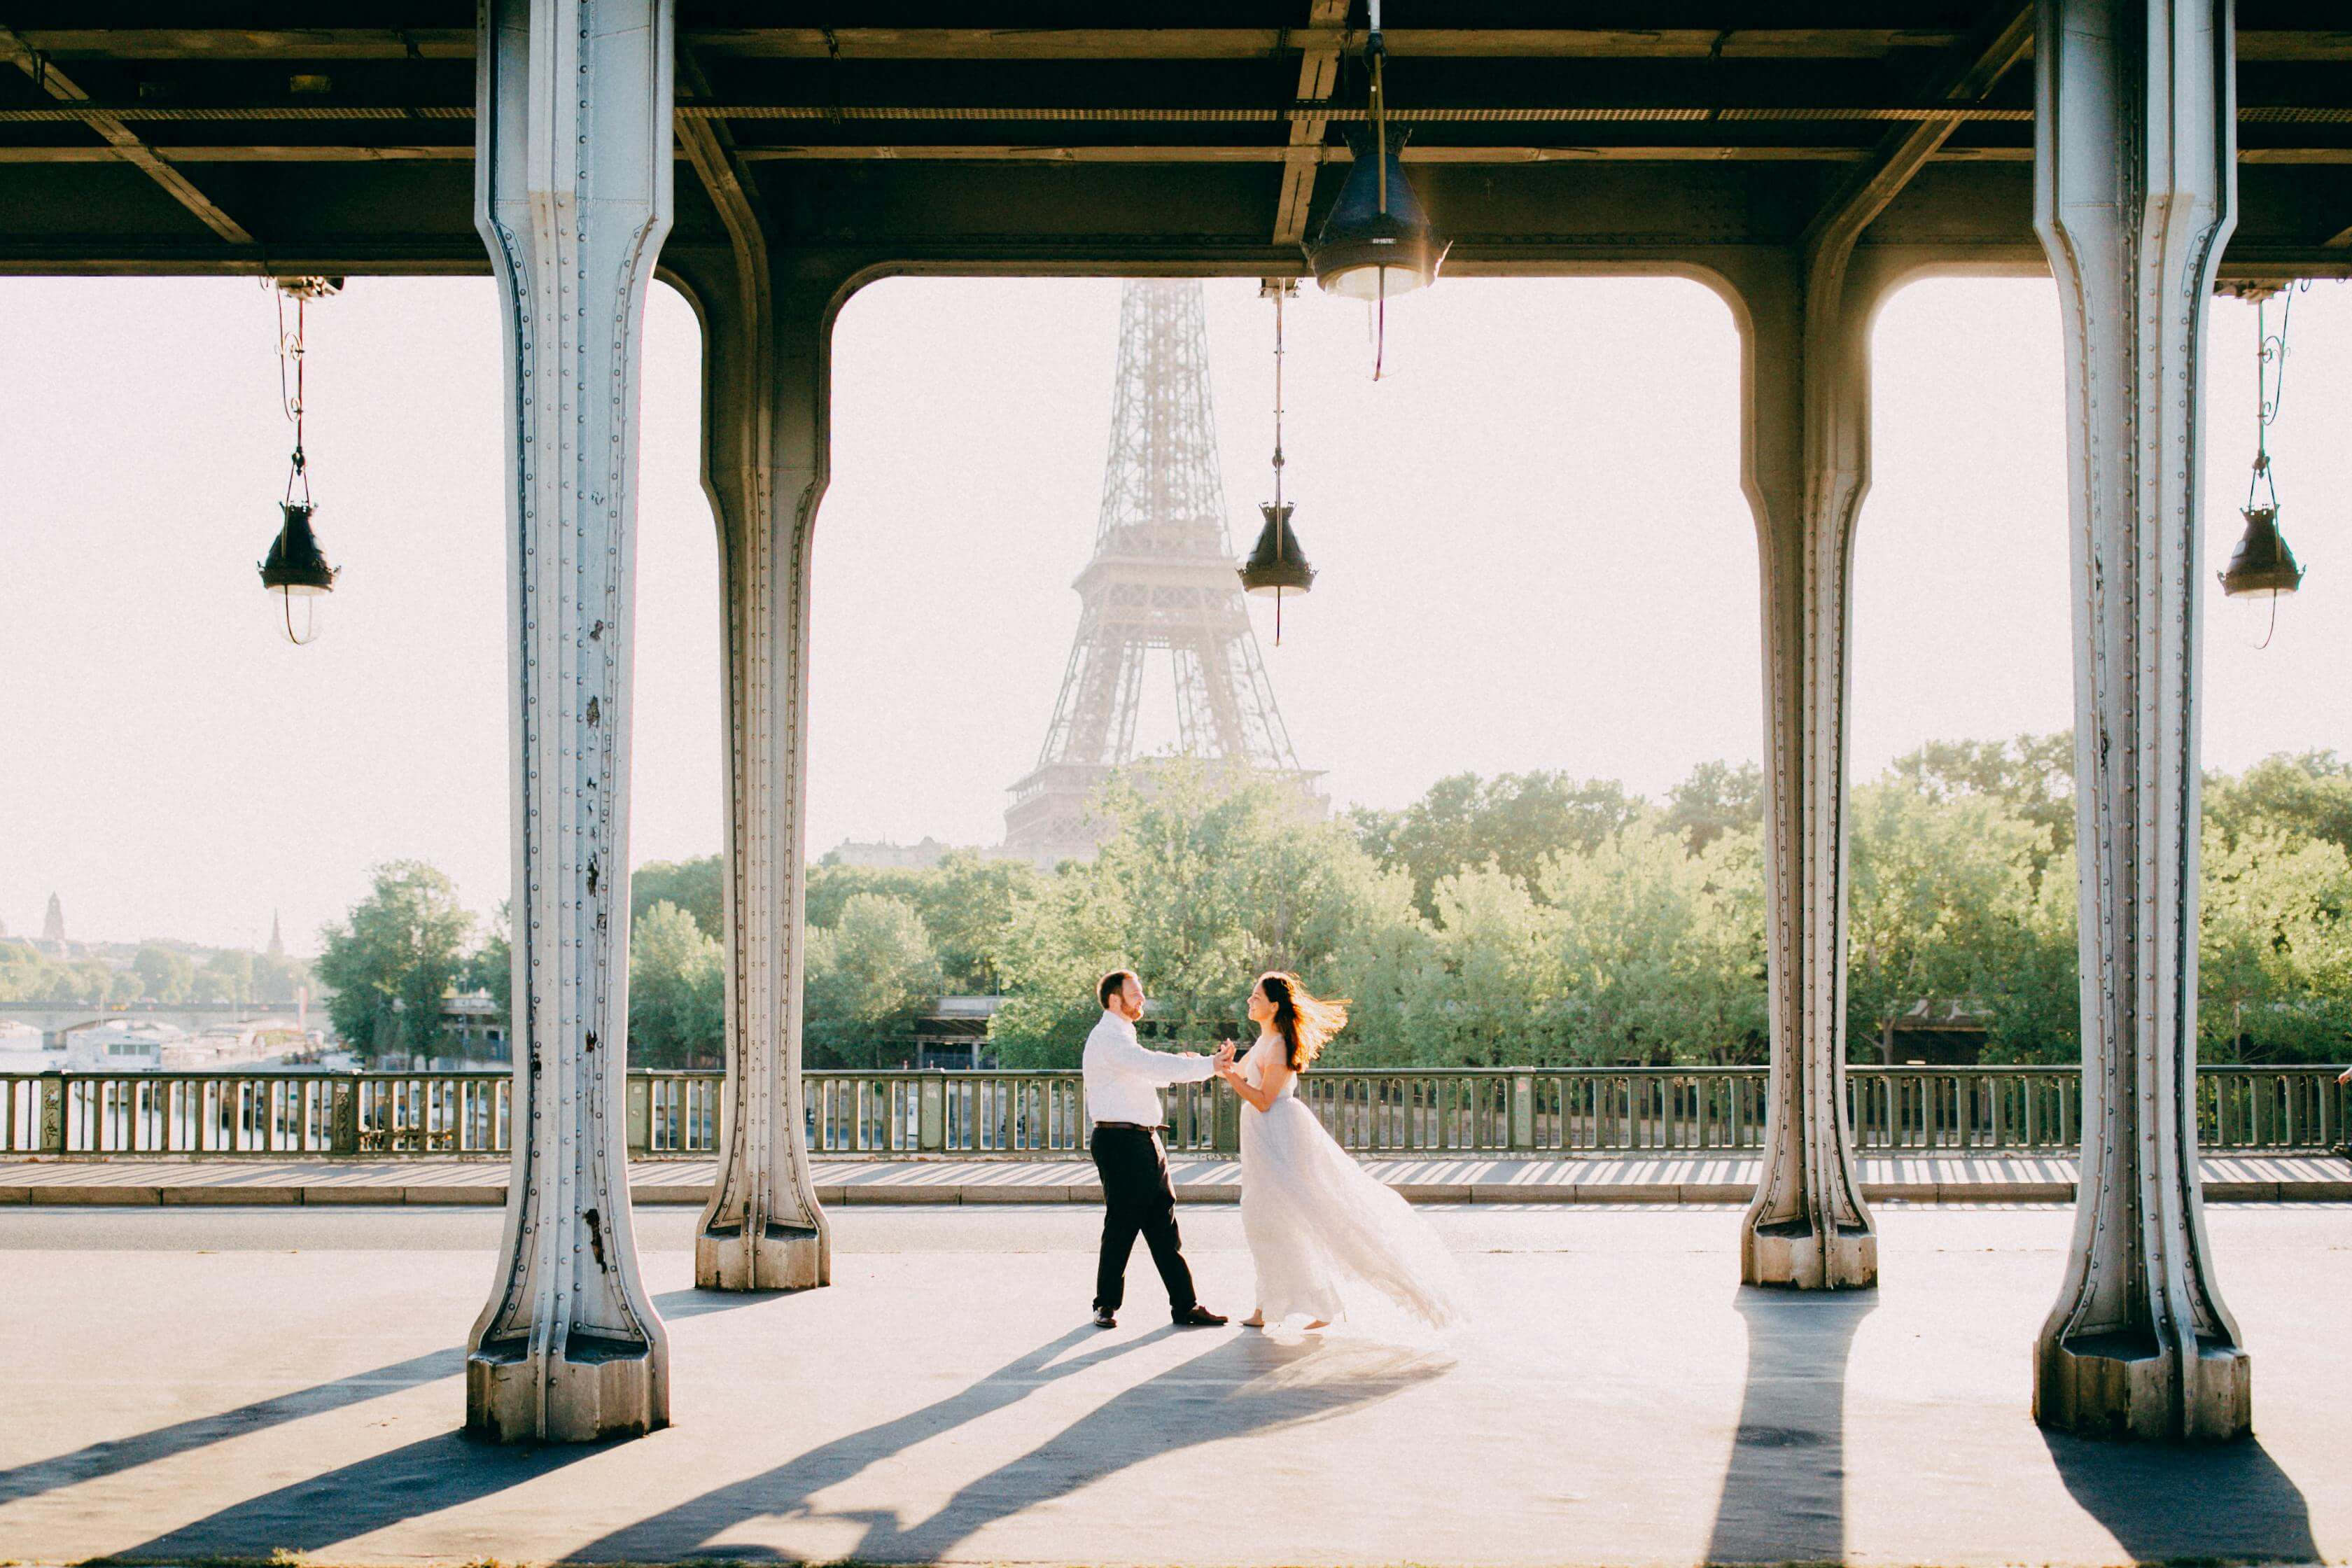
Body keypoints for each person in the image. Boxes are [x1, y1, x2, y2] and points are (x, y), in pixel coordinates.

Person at [1216, 970, 1468, 1336]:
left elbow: (1263, 1100)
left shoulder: (1280, 1044)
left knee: (1274, 1217)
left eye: (1256, 996)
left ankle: (1273, 1307)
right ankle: (1301, 1304)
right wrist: (1223, 1064)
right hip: (1262, 1138)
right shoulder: (1264, 1040)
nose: (1249, 1001)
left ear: (1273, 1005)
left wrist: (1232, 1076)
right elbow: (1241, 1077)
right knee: (1271, 1219)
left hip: (1278, 1136)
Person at [1082, 969, 1228, 1330]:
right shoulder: (1108, 1038)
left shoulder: (1121, 1039)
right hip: (1121, 1142)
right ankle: (1106, 1305)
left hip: (1144, 1140)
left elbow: (1144, 1071)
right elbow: (1149, 1064)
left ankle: (1185, 1305)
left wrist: (1189, 1063)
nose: (1142, 998)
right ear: (1115, 1000)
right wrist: (1208, 1065)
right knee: (1123, 1223)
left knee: (1163, 1223)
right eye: (1135, 993)